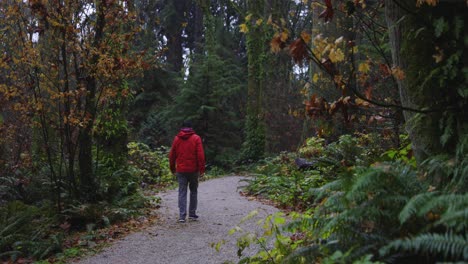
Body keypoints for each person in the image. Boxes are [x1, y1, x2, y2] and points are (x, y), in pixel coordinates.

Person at [169, 120, 205, 223]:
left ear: (182, 127)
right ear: (191, 128)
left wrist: (172, 168)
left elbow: (172, 155)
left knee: (182, 192)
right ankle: (192, 214)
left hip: (181, 170)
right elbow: (200, 155)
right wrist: (201, 169)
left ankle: (182, 216)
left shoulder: (177, 139)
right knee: (193, 191)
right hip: (193, 170)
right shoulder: (196, 138)